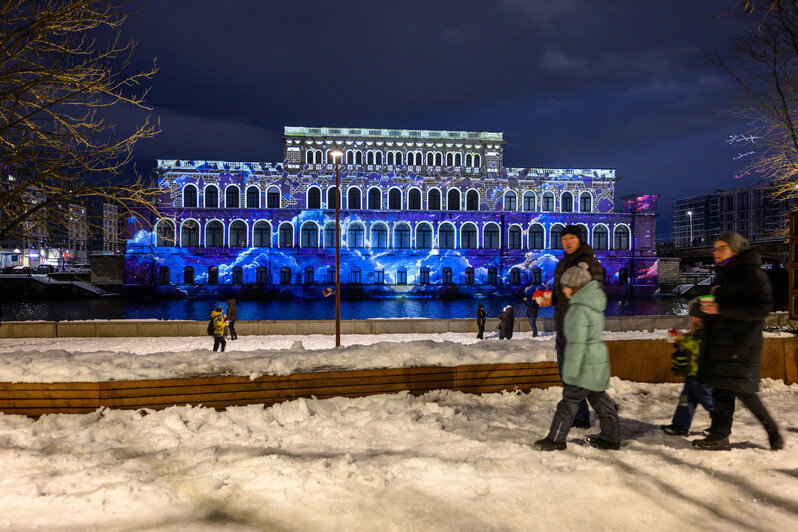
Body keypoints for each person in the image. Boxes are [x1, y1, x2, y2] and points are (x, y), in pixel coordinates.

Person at [692, 233, 783, 451]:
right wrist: (703, 308)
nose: (715, 252)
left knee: (745, 393)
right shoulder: (725, 274)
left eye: (721, 247)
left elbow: (760, 310)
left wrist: (720, 308)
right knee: (721, 392)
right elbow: (720, 304)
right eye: (714, 248)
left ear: (734, 249)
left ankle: (773, 432)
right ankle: (719, 436)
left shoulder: (751, 274)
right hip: (723, 344)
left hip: (740, 346)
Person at [534, 263, 620, 451]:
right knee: (600, 400)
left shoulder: (578, 309)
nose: (563, 290)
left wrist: (571, 372)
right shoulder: (593, 303)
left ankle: (556, 439)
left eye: (565, 285)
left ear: (575, 286)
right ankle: (611, 437)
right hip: (596, 359)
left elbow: (577, 344)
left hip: (583, 363)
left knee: (569, 402)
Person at [541, 224, 604, 429]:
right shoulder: (562, 264)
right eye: (564, 238)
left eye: (572, 238)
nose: (568, 242)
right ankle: (580, 416)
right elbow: (563, 295)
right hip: (563, 326)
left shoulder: (589, 263)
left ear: (579, 240)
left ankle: (599, 416)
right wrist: (551, 299)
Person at [661, 300, 713, 436]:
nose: (691, 317)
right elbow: (690, 345)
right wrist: (678, 342)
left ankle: (720, 428)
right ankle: (680, 426)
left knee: (710, 402)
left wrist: (682, 339)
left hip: (703, 374)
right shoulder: (696, 329)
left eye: (694, 314)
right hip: (692, 373)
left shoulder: (707, 331)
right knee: (686, 399)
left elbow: (697, 347)